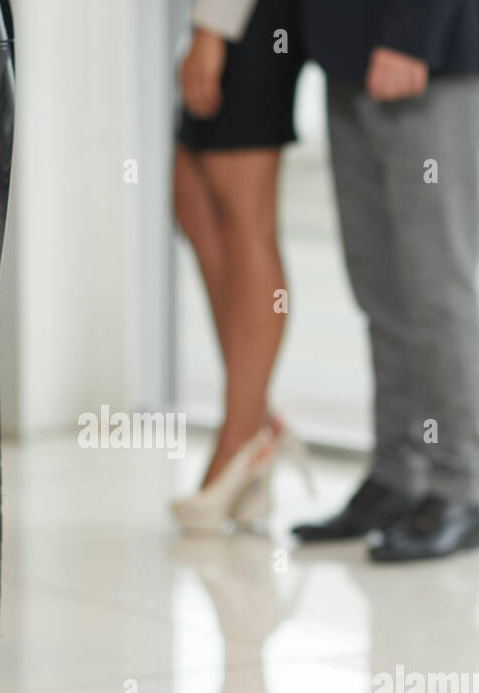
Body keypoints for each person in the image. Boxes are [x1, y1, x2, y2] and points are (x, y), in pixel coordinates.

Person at [289, 0, 479, 562]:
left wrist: (413, 33)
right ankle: (396, 474)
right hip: (347, 57)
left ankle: (457, 489)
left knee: (435, 289)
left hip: (420, 54)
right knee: (380, 289)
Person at [169, 0, 308, 534]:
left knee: (245, 218)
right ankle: (256, 424)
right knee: (195, 201)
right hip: (232, 19)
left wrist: (212, 27)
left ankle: (241, 439)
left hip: (253, 17)